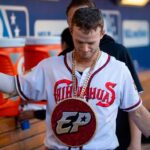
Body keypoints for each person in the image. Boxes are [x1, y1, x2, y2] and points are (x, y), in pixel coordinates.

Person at [0, 8, 150, 150]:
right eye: (79, 41)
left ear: (102, 34)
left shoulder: (118, 69)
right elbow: (14, 86)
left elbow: (137, 112)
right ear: (71, 31)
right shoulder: (50, 67)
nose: (85, 49)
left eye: (91, 43)